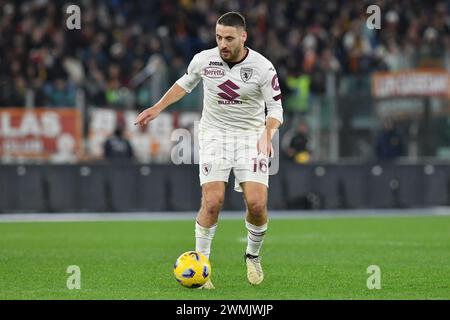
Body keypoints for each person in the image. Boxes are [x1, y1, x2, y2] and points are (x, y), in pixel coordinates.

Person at [135, 12, 283, 289]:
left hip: (252, 137)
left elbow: (275, 109)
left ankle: (252, 255)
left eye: (228, 38)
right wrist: (157, 107)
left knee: (257, 204)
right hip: (214, 136)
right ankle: (202, 269)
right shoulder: (204, 59)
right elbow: (184, 84)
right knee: (213, 202)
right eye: (218, 37)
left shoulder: (263, 67)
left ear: (243, 37)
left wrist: (268, 134)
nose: (222, 43)